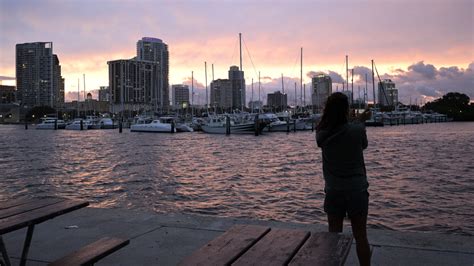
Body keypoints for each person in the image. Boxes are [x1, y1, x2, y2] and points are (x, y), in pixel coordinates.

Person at [316, 92, 371, 266]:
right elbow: (363, 145)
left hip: (333, 189)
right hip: (357, 189)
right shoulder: (356, 129)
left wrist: (356, 122)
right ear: (346, 110)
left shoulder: (321, 133)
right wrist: (360, 121)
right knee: (361, 236)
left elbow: (337, 132)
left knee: (334, 236)